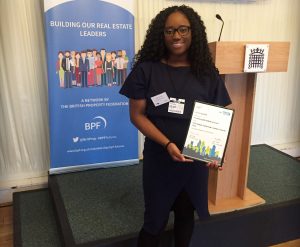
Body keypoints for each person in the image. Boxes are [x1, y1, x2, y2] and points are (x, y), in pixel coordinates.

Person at [119, 5, 231, 247]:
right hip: (160, 160)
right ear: (162, 34)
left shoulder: (207, 73)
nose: (176, 36)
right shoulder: (146, 70)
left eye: (183, 29)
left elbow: (221, 113)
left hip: (194, 162)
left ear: (194, 32)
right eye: (170, 31)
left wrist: (215, 152)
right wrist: (167, 143)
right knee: (154, 222)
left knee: (185, 216)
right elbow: (137, 116)